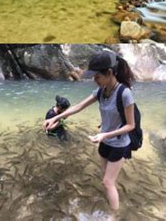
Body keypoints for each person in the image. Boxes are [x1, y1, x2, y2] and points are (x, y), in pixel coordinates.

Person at [43, 51, 136, 214]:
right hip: (103, 142)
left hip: (119, 144)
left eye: (97, 76)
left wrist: (105, 135)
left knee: (108, 182)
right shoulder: (101, 91)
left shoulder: (125, 94)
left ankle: (114, 215)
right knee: (106, 179)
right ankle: (111, 196)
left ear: (109, 73)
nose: (94, 80)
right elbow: (78, 107)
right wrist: (55, 118)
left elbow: (130, 126)